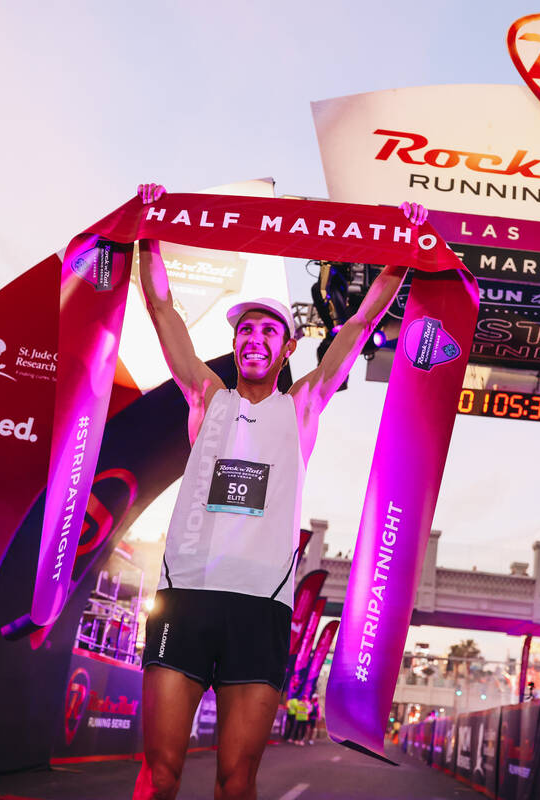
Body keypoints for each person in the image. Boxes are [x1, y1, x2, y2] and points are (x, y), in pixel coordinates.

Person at [132, 182, 427, 800]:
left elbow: (363, 320)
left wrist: (401, 249)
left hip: (260, 608)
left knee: (237, 781)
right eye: (246, 332)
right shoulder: (205, 397)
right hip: (184, 595)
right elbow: (162, 310)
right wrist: (148, 228)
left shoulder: (303, 405)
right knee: (159, 774)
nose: (255, 340)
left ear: (287, 348)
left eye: (269, 332)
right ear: (235, 344)